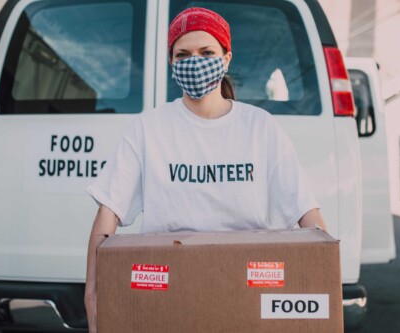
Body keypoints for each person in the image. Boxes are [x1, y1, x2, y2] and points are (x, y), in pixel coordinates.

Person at [84, 7, 327, 332]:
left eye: (206, 52)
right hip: (166, 289)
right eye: (182, 54)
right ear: (172, 63)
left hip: (245, 288)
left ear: (226, 58)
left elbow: (307, 214)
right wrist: (93, 291)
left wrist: (324, 284)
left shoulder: (260, 128)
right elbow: (108, 211)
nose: (194, 62)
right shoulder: (148, 128)